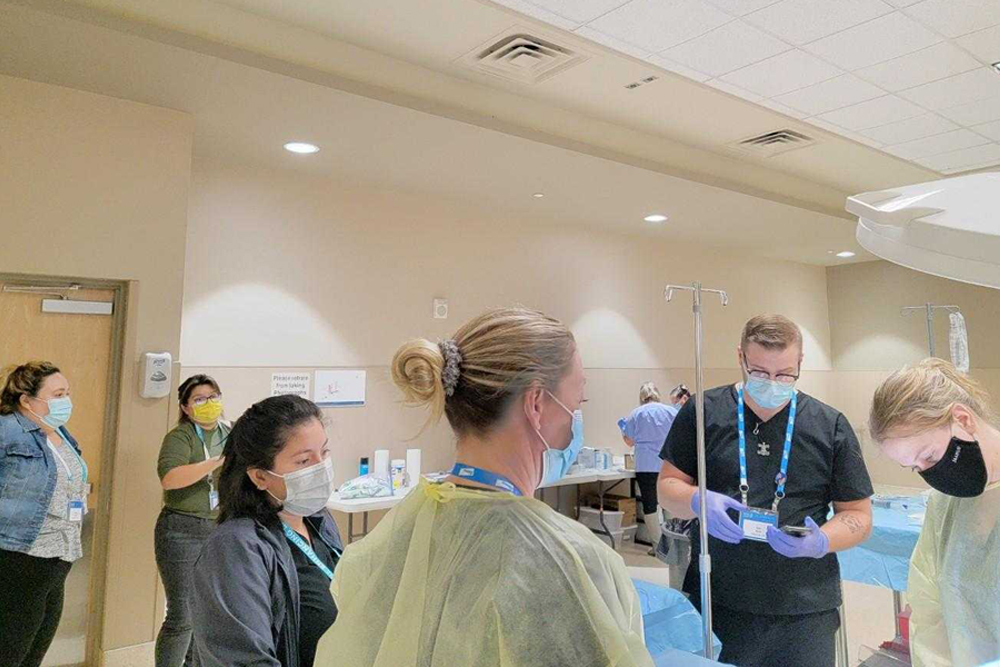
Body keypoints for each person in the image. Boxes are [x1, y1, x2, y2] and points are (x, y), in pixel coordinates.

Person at [315, 307, 654, 667]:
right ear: (536, 404)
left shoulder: (391, 539)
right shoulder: (575, 562)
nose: (575, 420)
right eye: (577, 403)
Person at [657, 315, 874, 667]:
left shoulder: (829, 424)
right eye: (759, 372)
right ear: (740, 357)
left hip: (804, 608)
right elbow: (667, 489)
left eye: (785, 374)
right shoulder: (703, 413)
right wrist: (697, 500)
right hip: (719, 599)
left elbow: (859, 516)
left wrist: (821, 541)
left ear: (800, 364)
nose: (773, 383)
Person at [191, 394, 343, 667]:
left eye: (325, 452)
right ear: (260, 476)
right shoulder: (235, 547)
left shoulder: (318, 521)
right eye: (304, 461)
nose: (321, 467)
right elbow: (242, 658)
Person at [870, 358, 1000, 667]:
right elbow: (929, 611)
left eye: (929, 455)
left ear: (963, 419)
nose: (930, 473)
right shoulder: (946, 505)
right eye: (916, 467)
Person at [0, 362, 87, 667]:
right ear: (26, 399)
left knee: (34, 651)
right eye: (58, 393)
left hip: (60, 555)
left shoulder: (59, 432)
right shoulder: (7, 430)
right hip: (22, 556)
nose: (66, 400)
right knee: (10, 650)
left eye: (67, 393)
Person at [154, 375, 229, 667]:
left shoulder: (230, 432)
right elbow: (170, 478)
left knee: (206, 613)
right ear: (186, 407)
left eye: (213, 396)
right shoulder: (180, 437)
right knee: (182, 615)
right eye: (200, 399)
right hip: (181, 530)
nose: (209, 403)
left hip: (219, 529)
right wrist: (216, 462)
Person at [620, 382, 678, 554]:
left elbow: (629, 441)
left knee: (650, 505)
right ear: (657, 394)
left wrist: (623, 429)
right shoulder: (670, 411)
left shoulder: (636, 414)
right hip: (668, 463)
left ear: (641, 397)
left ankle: (658, 547)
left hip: (646, 465)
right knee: (669, 505)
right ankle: (673, 546)